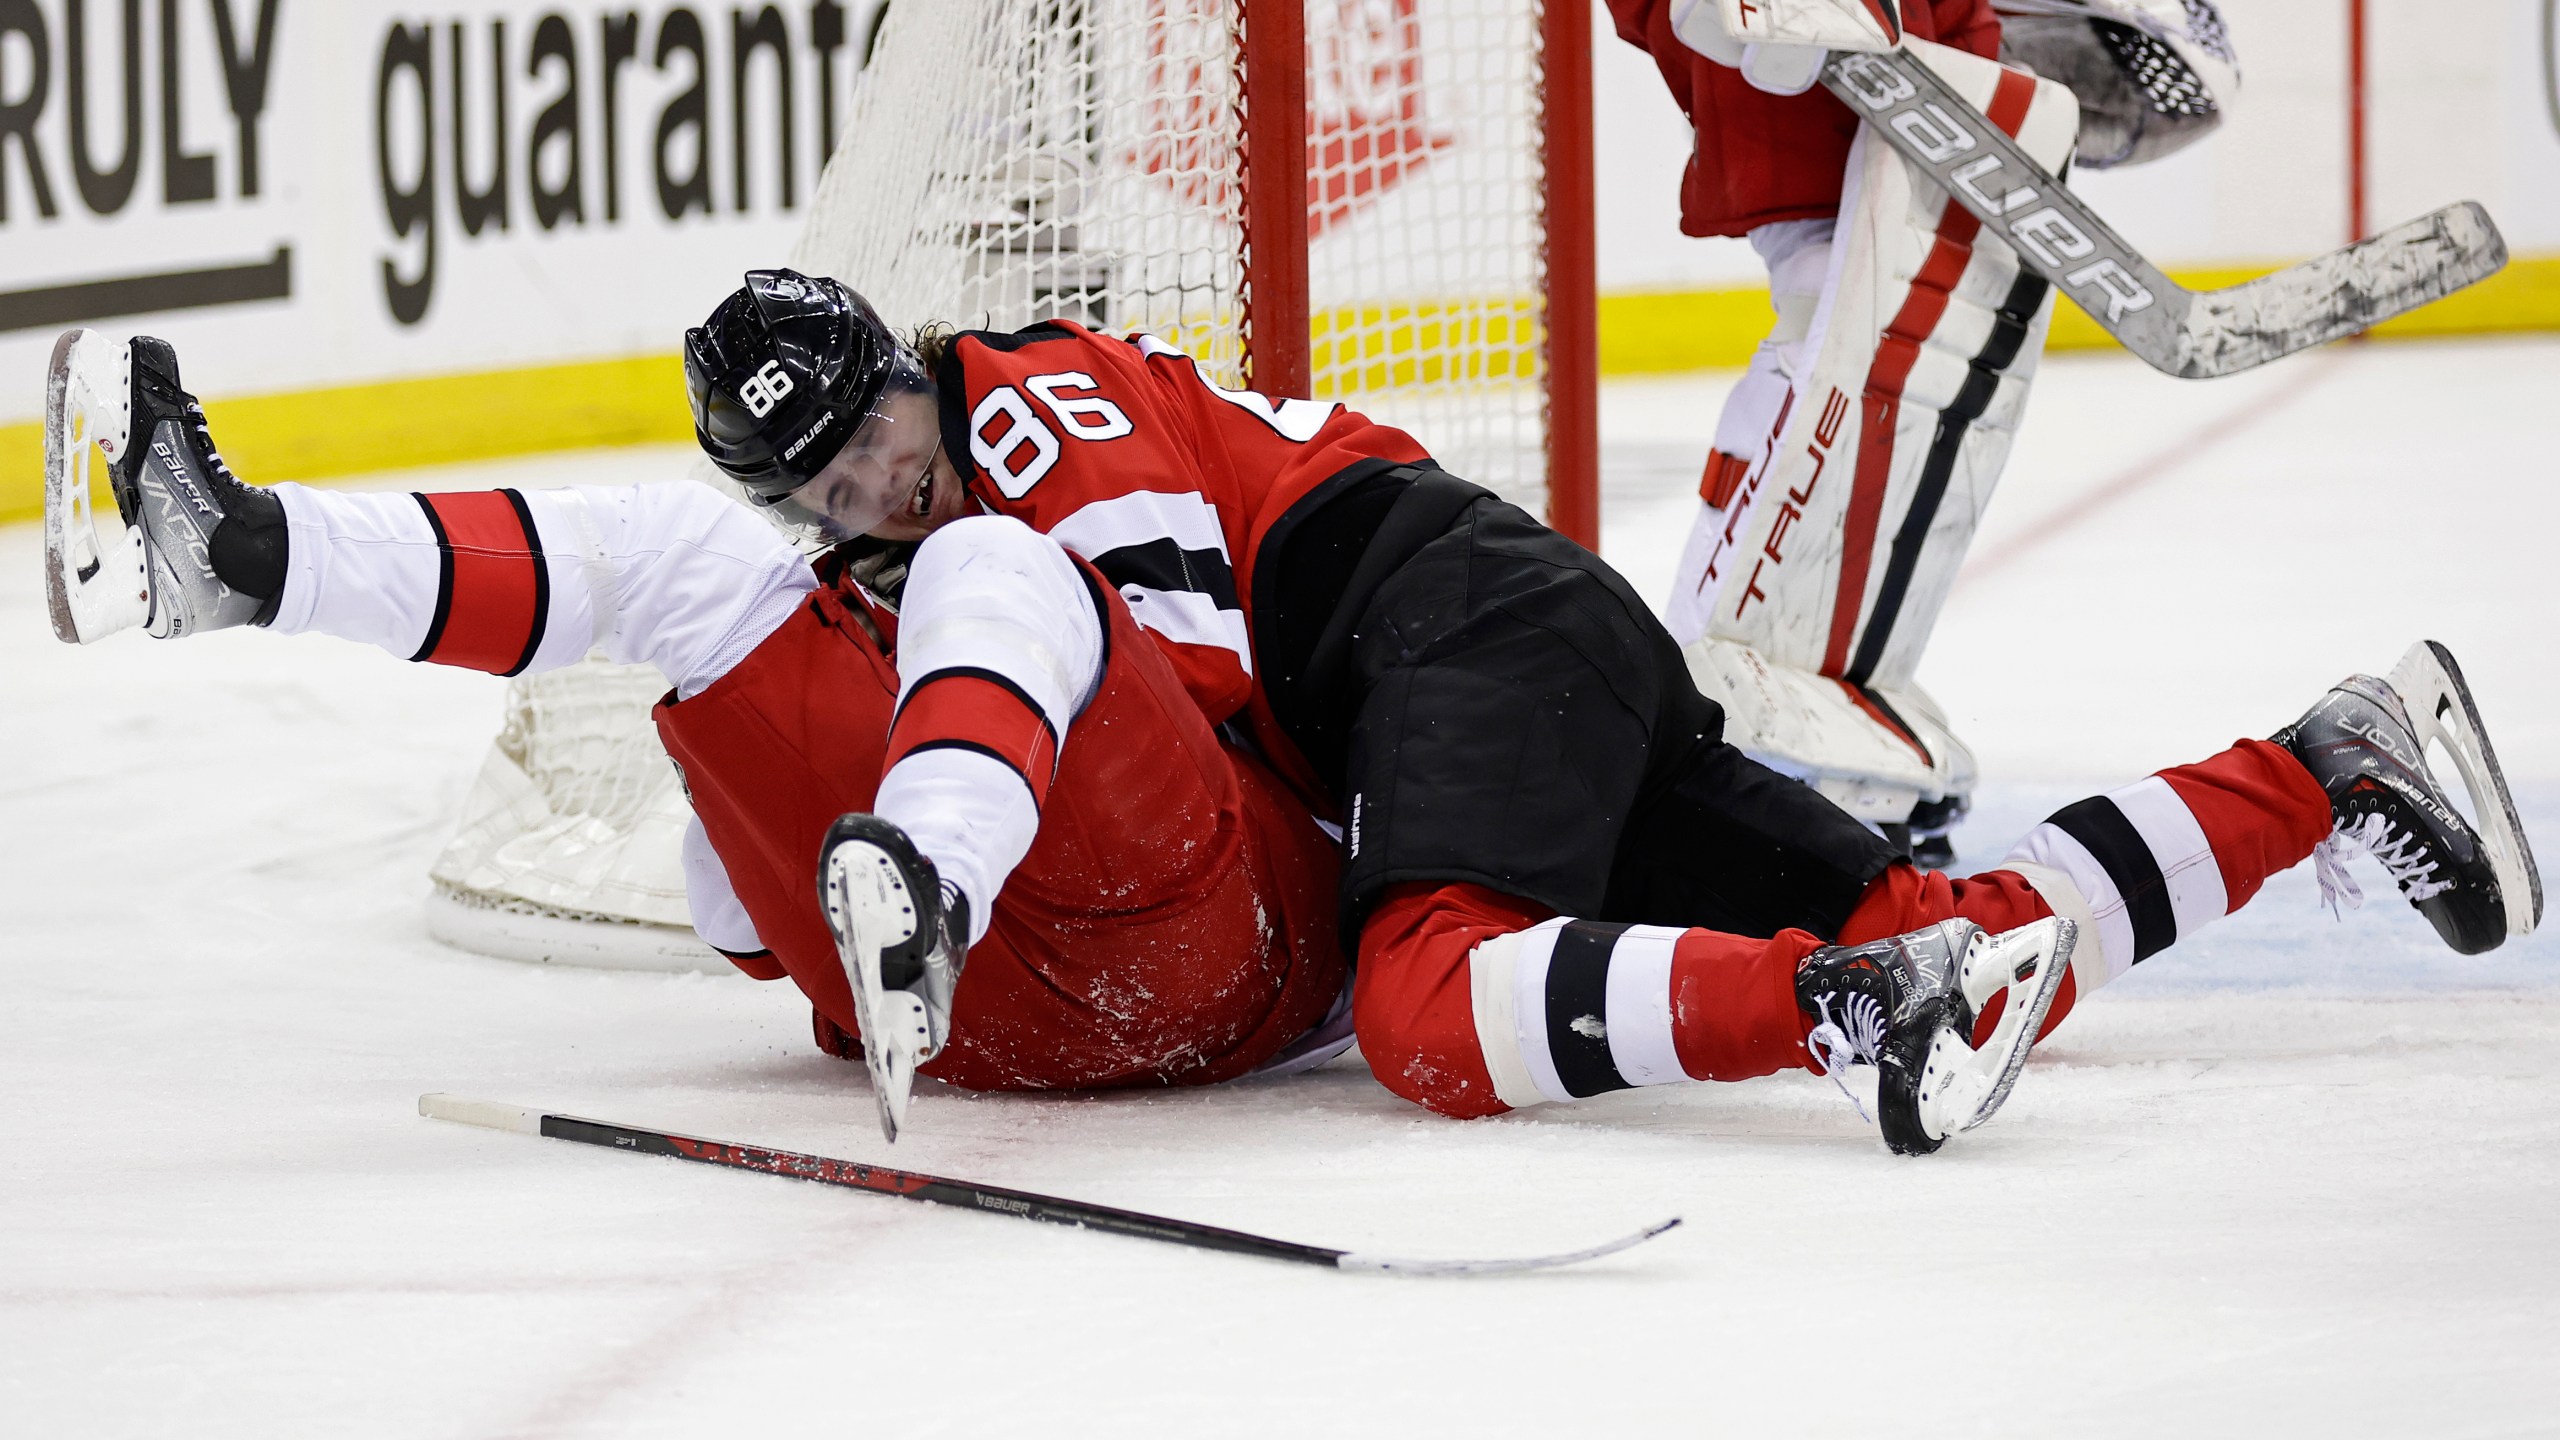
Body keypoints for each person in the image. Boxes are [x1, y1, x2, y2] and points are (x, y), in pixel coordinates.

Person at [46, 263, 2538, 1155]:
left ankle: (1847, 1010)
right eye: (833, 485)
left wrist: (923, 829)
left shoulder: (1019, 421)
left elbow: (1151, 653)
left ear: (921, 373)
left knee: (1428, 986)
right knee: (1942, 897)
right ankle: (2320, 759)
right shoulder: (879, 517)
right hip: (1477, 666)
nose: (879, 493)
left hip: (1426, 630)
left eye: (878, 439)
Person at [1605, 0, 2241, 862]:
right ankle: (1785, 750)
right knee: (1830, 377)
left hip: (1867, 160)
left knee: (1879, 395)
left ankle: (1822, 744)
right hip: (1833, 164)